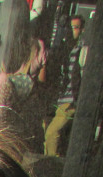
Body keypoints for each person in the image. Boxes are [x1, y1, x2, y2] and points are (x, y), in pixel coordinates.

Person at [43, 14, 84, 156]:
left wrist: (76, 101)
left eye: (76, 28)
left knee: (52, 132)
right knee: (46, 130)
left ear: (82, 30)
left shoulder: (82, 52)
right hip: (59, 100)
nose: (72, 31)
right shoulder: (64, 51)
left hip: (70, 102)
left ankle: (51, 162)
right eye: (70, 28)